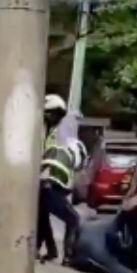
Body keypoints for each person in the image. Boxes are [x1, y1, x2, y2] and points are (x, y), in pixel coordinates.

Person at [36, 99, 85, 262]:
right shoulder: (53, 133)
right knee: (73, 219)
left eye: (49, 114)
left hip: (47, 184)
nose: (46, 117)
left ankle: (50, 251)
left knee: (42, 217)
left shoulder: (57, 133)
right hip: (49, 184)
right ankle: (68, 256)